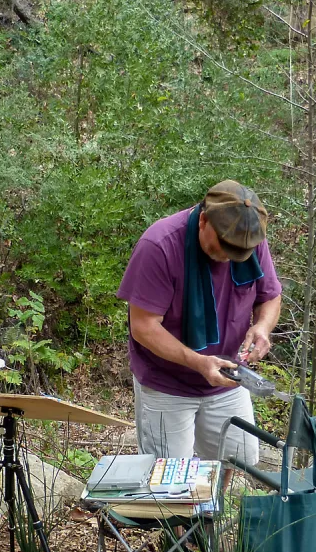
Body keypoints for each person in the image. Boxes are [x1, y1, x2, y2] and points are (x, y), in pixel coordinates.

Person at [116, 180, 282, 464]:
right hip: (167, 383)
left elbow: (271, 296)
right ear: (203, 219)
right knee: (165, 477)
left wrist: (262, 327)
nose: (230, 257)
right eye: (224, 246)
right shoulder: (159, 245)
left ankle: (212, 509)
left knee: (236, 458)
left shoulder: (249, 239)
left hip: (229, 377)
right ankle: (179, 511)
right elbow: (143, 327)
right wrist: (199, 362)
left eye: (238, 252)